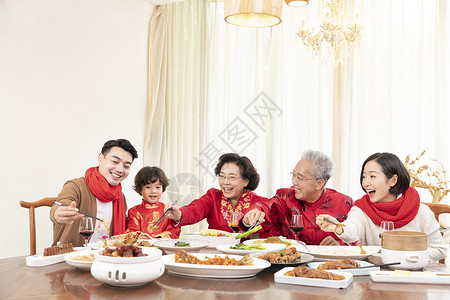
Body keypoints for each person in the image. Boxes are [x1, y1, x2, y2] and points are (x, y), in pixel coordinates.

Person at [316, 152, 447, 262]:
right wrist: (337, 227)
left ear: (393, 180)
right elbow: (352, 229)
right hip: (374, 278)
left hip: (414, 277)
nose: (366, 183)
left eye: (372, 176)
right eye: (364, 177)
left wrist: (407, 259)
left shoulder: (421, 211)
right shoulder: (361, 209)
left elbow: (439, 250)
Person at [243, 150, 353, 244]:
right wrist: (255, 212)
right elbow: (267, 206)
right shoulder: (286, 196)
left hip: (330, 264)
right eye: (293, 174)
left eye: (299, 177)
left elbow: (358, 239)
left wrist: (340, 244)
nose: (293, 181)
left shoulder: (344, 203)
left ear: (319, 184)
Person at [50, 139, 138, 246]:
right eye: (115, 162)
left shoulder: (120, 197)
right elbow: (62, 204)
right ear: (100, 158)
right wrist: (59, 213)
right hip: (72, 257)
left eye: (126, 166)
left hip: (107, 257)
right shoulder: (76, 186)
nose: (120, 169)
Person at [166, 153, 275, 235]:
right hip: (216, 255)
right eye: (222, 176)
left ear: (246, 180)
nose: (225, 182)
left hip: (249, 256)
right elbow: (194, 210)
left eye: (232, 177)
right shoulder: (213, 196)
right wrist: (178, 215)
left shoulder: (262, 204)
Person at [125, 166, 180, 238]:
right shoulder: (133, 211)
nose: (153, 191)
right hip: (143, 248)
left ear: (163, 189)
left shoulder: (168, 209)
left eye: (157, 187)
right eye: (148, 187)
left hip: (164, 247)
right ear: (140, 190)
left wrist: (158, 238)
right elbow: (132, 232)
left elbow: (174, 230)